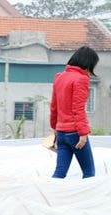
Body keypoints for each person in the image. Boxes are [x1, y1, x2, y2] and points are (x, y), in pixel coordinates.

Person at [50, 46, 98, 179]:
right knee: (89, 172)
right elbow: (78, 109)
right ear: (88, 63)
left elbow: (54, 106)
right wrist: (83, 134)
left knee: (59, 172)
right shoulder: (81, 79)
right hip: (75, 133)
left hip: (61, 132)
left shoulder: (59, 77)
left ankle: (50, 196)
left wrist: (54, 127)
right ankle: (88, 200)